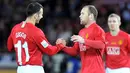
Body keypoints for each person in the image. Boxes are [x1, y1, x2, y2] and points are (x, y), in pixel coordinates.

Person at [7, 2, 65, 73]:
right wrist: (60, 45)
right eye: (41, 14)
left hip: (20, 69)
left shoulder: (15, 28)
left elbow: (9, 47)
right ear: (35, 15)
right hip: (34, 69)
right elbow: (50, 51)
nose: (42, 16)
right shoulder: (36, 31)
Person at [60, 5, 106, 73]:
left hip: (96, 71)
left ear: (91, 16)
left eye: (83, 13)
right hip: (84, 71)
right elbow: (74, 51)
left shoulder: (98, 29)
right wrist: (62, 46)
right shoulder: (81, 32)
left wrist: (83, 40)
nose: (80, 16)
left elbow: (102, 45)